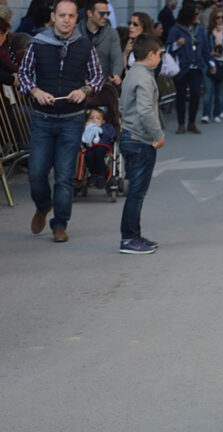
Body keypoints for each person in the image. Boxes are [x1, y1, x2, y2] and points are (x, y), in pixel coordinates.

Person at [18, 0, 104, 243]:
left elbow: (97, 76)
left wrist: (85, 91)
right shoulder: (38, 43)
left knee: (65, 175)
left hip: (72, 120)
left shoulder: (85, 46)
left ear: (77, 19)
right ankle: (43, 206)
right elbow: (24, 74)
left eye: (71, 16)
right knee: (36, 172)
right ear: (53, 17)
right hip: (42, 119)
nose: (66, 20)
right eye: (62, 15)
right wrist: (35, 92)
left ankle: (60, 224)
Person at [118, 34, 165, 254]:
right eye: (159, 54)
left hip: (128, 135)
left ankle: (134, 235)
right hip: (140, 140)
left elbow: (122, 104)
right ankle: (128, 238)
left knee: (136, 191)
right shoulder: (145, 77)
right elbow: (145, 110)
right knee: (137, 192)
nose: (160, 58)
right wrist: (158, 135)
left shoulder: (131, 73)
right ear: (150, 54)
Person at [166, 3, 214, 134]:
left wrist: (211, 64)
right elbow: (168, 49)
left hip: (196, 67)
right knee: (181, 96)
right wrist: (177, 44)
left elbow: (205, 49)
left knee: (195, 94)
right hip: (181, 68)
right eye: (196, 14)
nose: (198, 17)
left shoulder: (200, 30)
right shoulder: (176, 30)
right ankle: (181, 123)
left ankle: (191, 122)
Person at [77, 0, 122, 86]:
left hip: (102, 85)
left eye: (107, 13)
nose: (105, 17)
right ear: (90, 13)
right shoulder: (75, 32)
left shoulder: (112, 33)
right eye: (102, 13)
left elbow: (117, 59)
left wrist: (116, 74)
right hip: (78, 85)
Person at [201, 8, 223, 124]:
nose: (220, 20)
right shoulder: (207, 33)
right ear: (213, 19)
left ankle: (217, 113)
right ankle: (206, 114)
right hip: (211, 62)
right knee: (209, 90)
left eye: (222, 18)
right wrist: (212, 54)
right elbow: (204, 49)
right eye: (217, 17)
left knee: (221, 91)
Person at [81, 107, 115, 189]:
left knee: (98, 154)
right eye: (91, 118)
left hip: (103, 146)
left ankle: (101, 174)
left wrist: (99, 129)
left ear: (103, 121)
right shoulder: (88, 128)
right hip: (91, 147)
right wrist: (86, 128)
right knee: (88, 156)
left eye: (97, 118)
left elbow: (111, 135)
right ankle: (94, 174)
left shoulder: (106, 127)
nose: (94, 120)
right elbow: (84, 138)